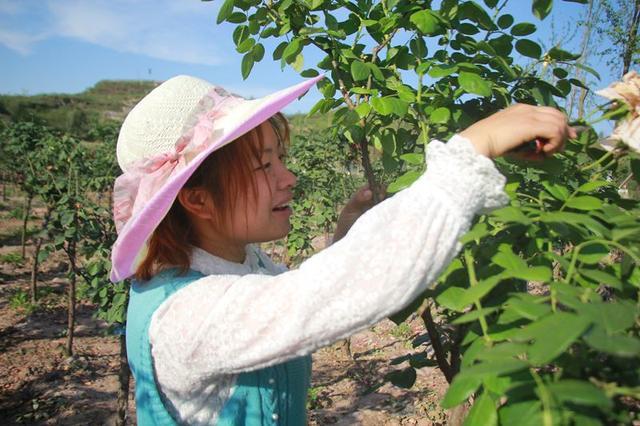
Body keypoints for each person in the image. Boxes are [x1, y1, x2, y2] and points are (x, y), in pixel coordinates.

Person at [111, 75, 575, 425]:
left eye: (282, 158)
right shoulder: (185, 318)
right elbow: (313, 301)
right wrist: (472, 150)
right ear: (197, 198)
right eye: (263, 164)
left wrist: (344, 239)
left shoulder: (234, 263)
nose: (287, 177)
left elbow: (283, 297)